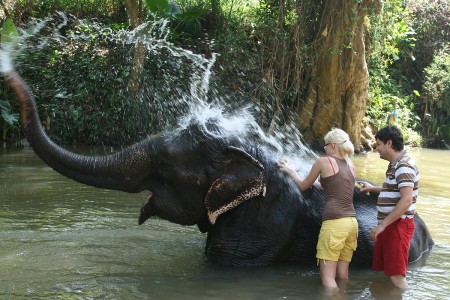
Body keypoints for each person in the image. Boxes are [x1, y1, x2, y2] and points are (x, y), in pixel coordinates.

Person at [277, 128, 357, 292]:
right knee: (342, 274)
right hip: (351, 224)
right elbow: (335, 187)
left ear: (333, 145)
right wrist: (316, 183)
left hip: (334, 223)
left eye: (326, 145)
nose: (324, 148)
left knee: (327, 278)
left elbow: (302, 186)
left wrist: (292, 171)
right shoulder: (351, 166)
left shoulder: (324, 161)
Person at [359, 125, 418, 289]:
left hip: (397, 225)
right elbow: (395, 189)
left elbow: (406, 200)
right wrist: (373, 188)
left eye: (378, 144)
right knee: (388, 271)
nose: (376, 148)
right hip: (390, 224)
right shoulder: (395, 165)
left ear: (389, 143)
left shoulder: (404, 166)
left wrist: (382, 225)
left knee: (396, 275)